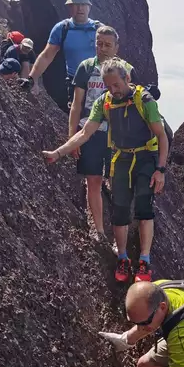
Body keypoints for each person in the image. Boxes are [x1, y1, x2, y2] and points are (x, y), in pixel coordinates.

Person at [42, 58, 168, 283]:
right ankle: (123, 258)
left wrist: (160, 170)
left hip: (145, 157)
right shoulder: (105, 102)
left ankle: (144, 261)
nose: (113, 90)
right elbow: (85, 133)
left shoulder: (144, 100)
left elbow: (161, 136)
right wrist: (58, 153)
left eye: (116, 85)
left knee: (143, 206)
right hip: (120, 157)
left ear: (127, 79)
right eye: (108, 86)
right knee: (119, 210)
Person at [70, 25, 137, 239]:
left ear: (116, 47)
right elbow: (76, 103)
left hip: (117, 135)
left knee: (118, 184)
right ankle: (98, 231)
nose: (103, 48)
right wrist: (73, 136)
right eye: (99, 43)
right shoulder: (86, 67)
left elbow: (134, 103)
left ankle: (120, 235)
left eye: (108, 44)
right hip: (90, 131)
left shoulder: (126, 69)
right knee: (94, 180)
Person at [18, 0, 101, 109]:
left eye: (83, 4)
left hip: (99, 83)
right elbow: (46, 56)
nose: (80, 8)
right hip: (75, 84)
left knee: (100, 123)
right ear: (69, 7)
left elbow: (112, 57)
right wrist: (31, 79)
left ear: (89, 6)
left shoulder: (99, 29)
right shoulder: (62, 29)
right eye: (76, 4)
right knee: (79, 121)